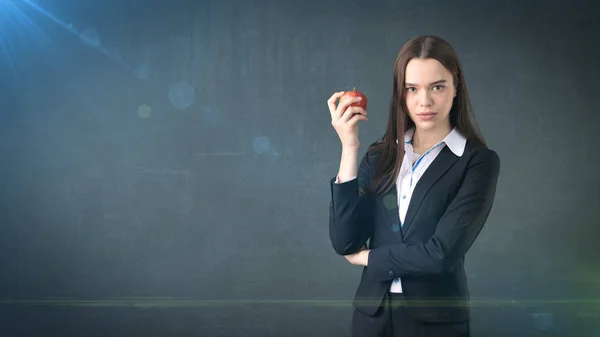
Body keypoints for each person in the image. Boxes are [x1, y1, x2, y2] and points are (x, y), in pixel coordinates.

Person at [327, 35, 501, 337]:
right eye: (412, 89)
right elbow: (345, 242)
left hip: (436, 323)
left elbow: (440, 254)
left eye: (437, 86)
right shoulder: (379, 155)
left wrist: (369, 258)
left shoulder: (477, 162)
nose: (425, 101)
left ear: (456, 86)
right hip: (372, 318)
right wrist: (349, 147)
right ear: (401, 93)